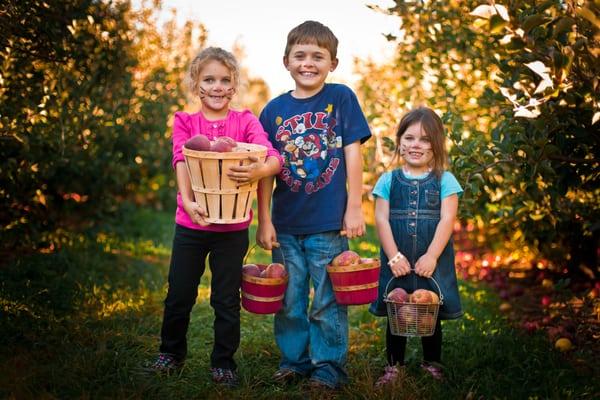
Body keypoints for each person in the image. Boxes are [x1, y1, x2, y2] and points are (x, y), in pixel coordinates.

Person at [146, 47, 282, 387]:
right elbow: (181, 158)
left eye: (224, 80)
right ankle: (170, 352)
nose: (217, 87)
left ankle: (223, 362)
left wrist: (259, 170)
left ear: (233, 85)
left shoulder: (245, 121)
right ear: (196, 83)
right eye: (209, 79)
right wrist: (188, 201)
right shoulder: (185, 121)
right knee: (179, 293)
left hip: (233, 225)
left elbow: (269, 153)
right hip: (192, 222)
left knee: (225, 298)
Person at [256, 20, 372, 390]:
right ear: (286, 61)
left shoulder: (341, 99)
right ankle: (294, 360)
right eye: (300, 55)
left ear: (333, 63)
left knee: (326, 300)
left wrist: (354, 206)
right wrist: (264, 221)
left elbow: (352, 154)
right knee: (290, 299)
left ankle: (328, 367)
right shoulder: (273, 110)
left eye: (318, 56)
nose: (309, 62)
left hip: (328, 223)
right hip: (287, 223)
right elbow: (265, 171)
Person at [368, 107, 463, 387]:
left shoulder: (445, 180)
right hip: (398, 259)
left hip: (429, 261)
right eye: (409, 138)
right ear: (399, 141)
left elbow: (447, 219)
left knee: (429, 310)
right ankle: (393, 365)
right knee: (396, 307)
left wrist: (432, 255)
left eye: (424, 139)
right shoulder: (388, 180)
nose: (415, 145)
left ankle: (432, 362)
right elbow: (381, 220)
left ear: (436, 144)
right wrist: (393, 256)